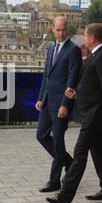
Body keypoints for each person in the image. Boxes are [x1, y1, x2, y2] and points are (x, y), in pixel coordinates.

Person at [46, 23, 102, 203]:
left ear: (92, 38)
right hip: (90, 113)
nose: (84, 39)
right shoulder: (97, 55)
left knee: (79, 155)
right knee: (100, 153)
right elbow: (92, 85)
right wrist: (75, 92)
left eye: (85, 36)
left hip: (94, 115)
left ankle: (65, 196)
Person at [35, 17, 82, 193]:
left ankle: (55, 181)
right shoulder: (51, 48)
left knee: (58, 143)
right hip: (47, 102)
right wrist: (40, 98)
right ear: (52, 30)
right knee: (41, 135)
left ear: (67, 30)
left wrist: (65, 104)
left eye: (63, 30)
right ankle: (69, 162)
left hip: (61, 104)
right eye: (58, 30)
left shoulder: (73, 50)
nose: (61, 33)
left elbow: (72, 79)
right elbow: (46, 75)